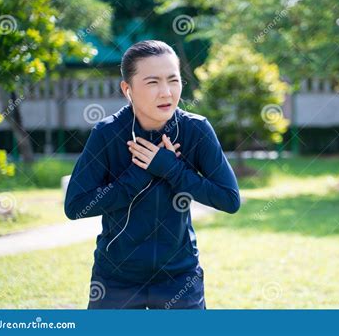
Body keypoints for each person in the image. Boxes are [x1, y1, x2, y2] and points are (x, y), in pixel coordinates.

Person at [64, 40, 240, 309]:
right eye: (152, 82)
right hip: (116, 278)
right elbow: (75, 206)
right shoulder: (107, 134)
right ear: (127, 89)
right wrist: (138, 175)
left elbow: (229, 199)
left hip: (179, 277)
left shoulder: (196, 130)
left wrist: (172, 169)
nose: (166, 92)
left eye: (173, 80)